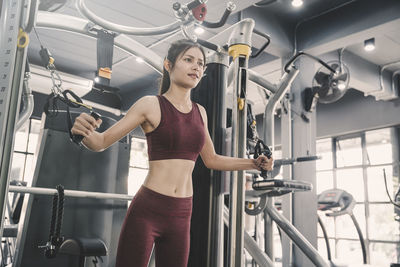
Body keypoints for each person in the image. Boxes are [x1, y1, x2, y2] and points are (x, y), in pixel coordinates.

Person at [71, 39, 273, 267]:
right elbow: (101, 142)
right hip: (148, 209)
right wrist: (82, 130)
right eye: (188, 60)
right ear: (168, 65)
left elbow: (212, 159)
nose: (196, 67)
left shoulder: (201, 113)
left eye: (200, 63)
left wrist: (254, 164)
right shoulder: (150, 105)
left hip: (182, 212)